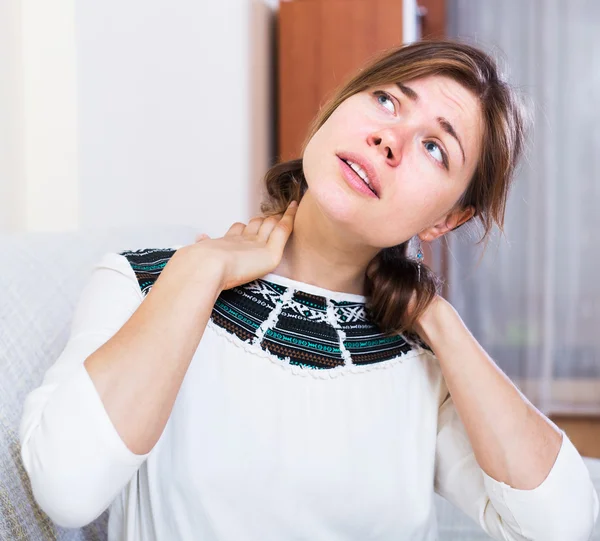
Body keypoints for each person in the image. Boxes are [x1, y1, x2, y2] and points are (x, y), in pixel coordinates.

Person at [19, 39, 599, 540]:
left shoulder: (424, 366)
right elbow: (65, 485)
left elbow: (561, 522)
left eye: (434, 147)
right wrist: (198, 272)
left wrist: (440, 322)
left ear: (445, 221)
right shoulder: (144, 282)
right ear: (333, 110)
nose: (390, 139)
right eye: (386, 100)